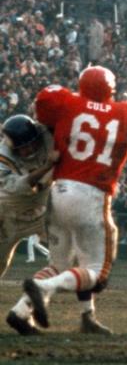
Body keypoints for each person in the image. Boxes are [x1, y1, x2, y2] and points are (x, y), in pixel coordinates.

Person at [9, 65, 127, 336]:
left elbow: (44, 104)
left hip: (59, 192)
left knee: (58, 264)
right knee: (98, 271)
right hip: (92, 194)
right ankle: (44, 288)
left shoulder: (66, 102)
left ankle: (22, 313)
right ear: (110, 90)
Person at [0, 115, 57, 280]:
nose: (31, 149)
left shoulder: (45, 133)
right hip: (10, 212)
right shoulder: (3, 155)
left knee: (68, 246)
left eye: (33, 144)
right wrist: (47, 167)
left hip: (44, 206)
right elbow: (18, 189)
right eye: (24, 147)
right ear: (13, 147)